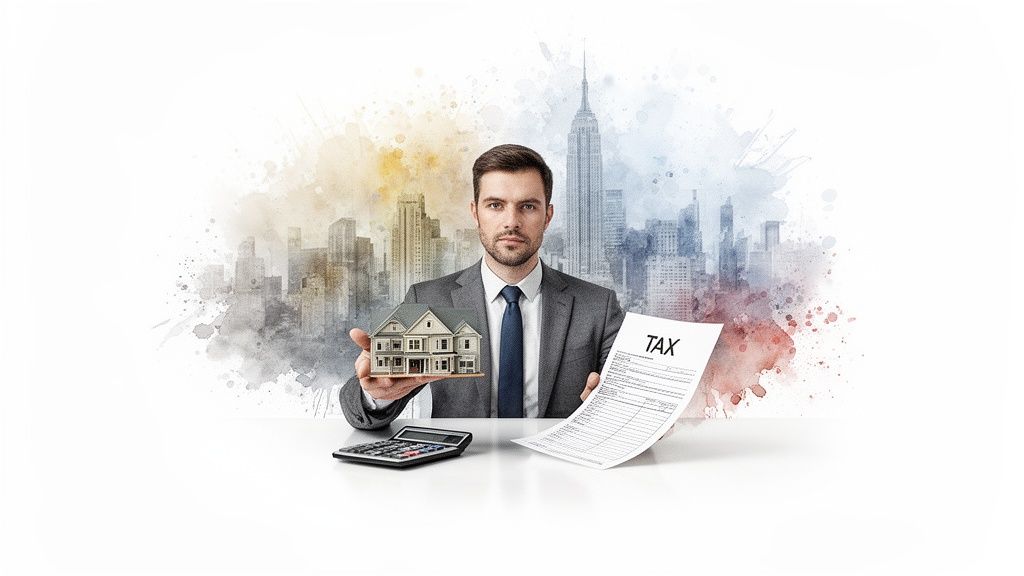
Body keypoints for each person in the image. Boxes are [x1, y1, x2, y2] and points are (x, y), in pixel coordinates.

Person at [339, 144, 624, 429]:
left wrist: (633, 416)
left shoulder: (598, 307)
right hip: (463, 467)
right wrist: (375, 393)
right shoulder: (430, 300)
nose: (511, 222)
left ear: (547, 216)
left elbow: (633, 401)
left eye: (527, 206)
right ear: (475, 213)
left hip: (560, 469)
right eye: (495, 205)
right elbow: (357, 410)